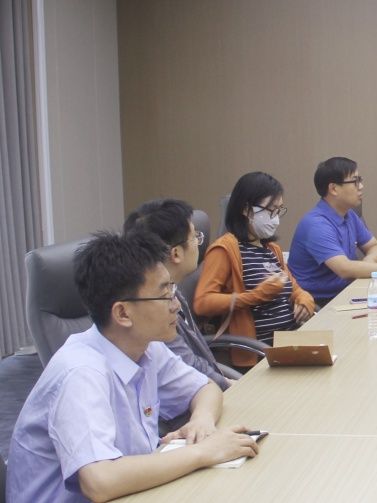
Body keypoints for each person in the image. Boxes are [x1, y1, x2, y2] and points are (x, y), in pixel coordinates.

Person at [6, 231, 259, 503]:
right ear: (123, 313)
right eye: (164, 295)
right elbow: (99, 482)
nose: (175, 305)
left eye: (173, 290)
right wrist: (202, 452)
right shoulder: (81, 373)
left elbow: (206, 388)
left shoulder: (146, 348)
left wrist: (201, 422)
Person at [194, 172, 315, 367]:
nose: (275, 219)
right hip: (259, 352)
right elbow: (202, 303)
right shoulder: (225, 249)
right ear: (246, 210)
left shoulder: (271, 249)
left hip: (291, 342)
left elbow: (295, 289)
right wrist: (255, 296)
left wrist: (304, 299)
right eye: (271, 211)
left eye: (279, 211)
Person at [123, 198, 231, 390]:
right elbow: (191, 368)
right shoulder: (152, 309)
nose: (199, 243)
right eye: (195, 237)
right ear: (176, 254)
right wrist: (232, 387)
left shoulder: (174, 292)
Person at [288, 156, 377, 305]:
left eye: (360, 180)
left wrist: (368, 264)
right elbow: (344, 269)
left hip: (346, 291)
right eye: (355, 182)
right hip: (317, 303)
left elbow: (376, 247)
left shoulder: (349, 215)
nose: (361, 186)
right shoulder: (316, 225)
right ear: (333, 189)